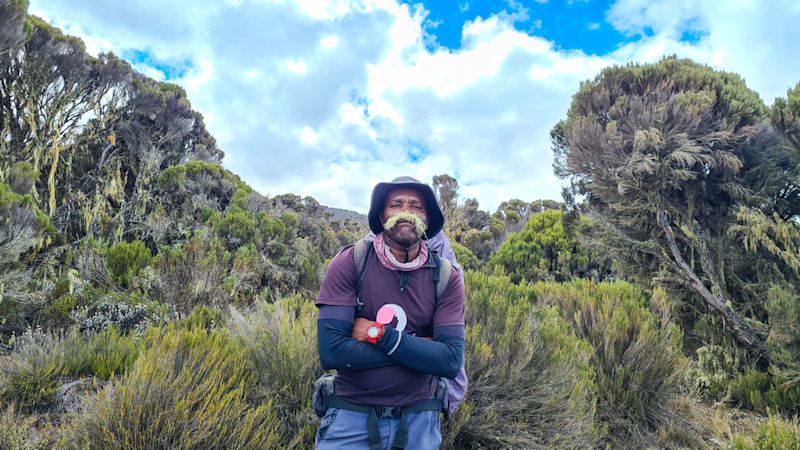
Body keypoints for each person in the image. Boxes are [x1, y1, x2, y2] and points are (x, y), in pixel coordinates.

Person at [315, 176, 466, 450]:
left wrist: (377, 333)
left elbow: (450, 361)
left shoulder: (446, 276)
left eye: (416, 206)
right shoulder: (351, 261)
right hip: (350, 415)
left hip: (418, 422)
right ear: (381, 215)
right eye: (396, 204)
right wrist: (421, 352)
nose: (406, 211)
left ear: (428, 219)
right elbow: (332, 352)